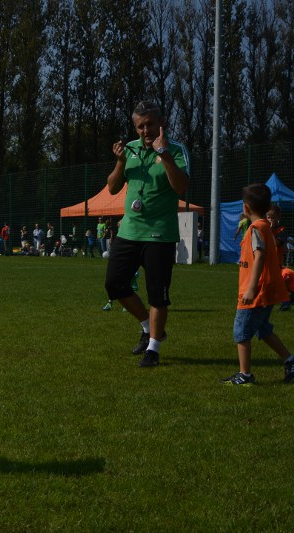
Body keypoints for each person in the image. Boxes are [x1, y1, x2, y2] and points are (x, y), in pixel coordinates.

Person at [104, 100, 190, 368]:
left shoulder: (176, 149)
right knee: (114, 284)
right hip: (129, 231)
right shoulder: (129, 149)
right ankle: (148, 327)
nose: (145, 130)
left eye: (150, 124)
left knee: (157, 295)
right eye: (140, 126)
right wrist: (120, 162)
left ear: (161, 122)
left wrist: (164, 154)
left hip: (159, 234)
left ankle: (153, 349)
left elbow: (181, 187)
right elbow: (112, 188)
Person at [222, 183, 294, 385]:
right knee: (263, 329)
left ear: (246, 208)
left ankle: (245, 375)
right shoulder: (265, 227)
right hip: (266, 289)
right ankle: (291, 360)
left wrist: (251, 288)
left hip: (257, 291)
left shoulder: (257, 228)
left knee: (241, 332)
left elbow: (259, 256)